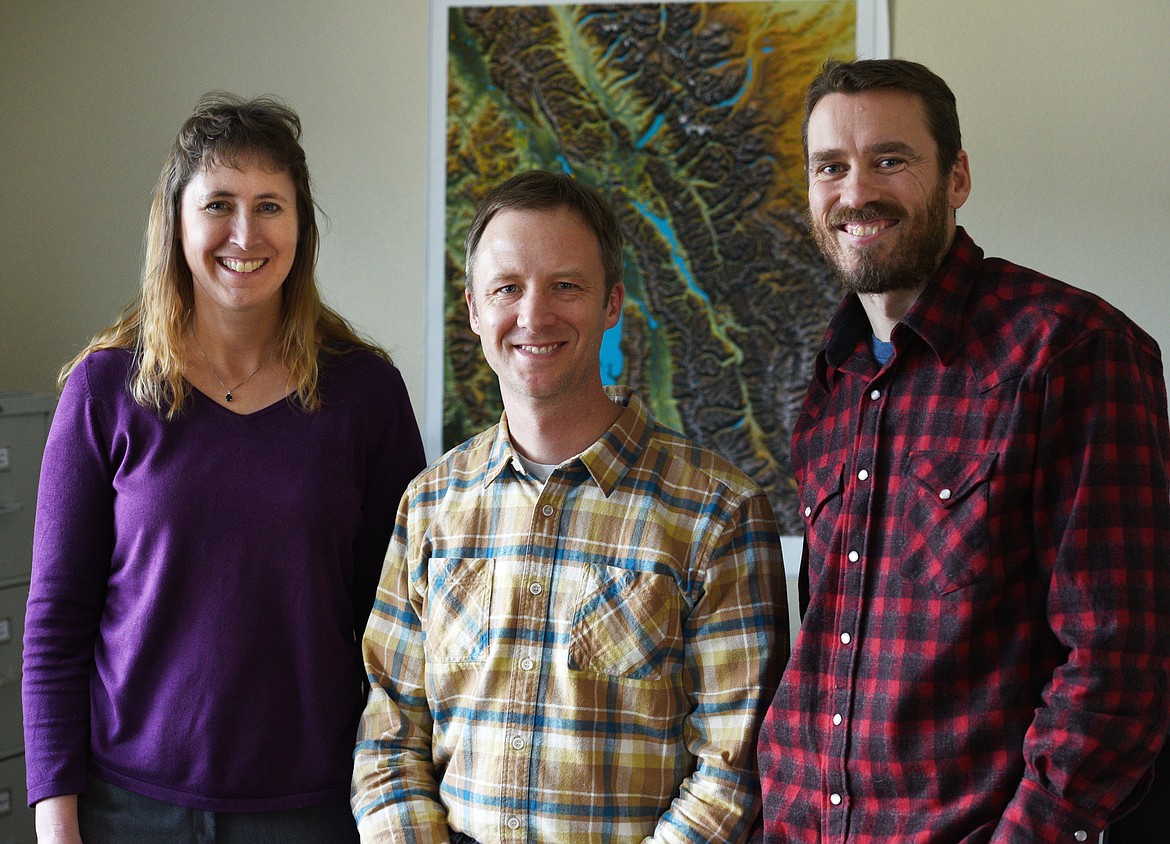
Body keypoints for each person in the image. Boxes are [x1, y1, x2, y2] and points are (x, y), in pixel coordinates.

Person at [756, 58, 1170, 842]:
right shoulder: (830, 377)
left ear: (957, 177)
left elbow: (1120, 661)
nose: (855, 192)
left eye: (890, 160)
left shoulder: (1070, 350)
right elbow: (828, 639)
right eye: (830, 168)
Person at [22, 92, 426, 843]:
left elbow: (400, 623)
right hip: (129, 808)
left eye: (269, 204)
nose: (245, 232)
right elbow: (56, 621)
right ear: (176, 222)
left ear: (301, 226)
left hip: (315, 806)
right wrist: (56, 819)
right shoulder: (105, 389)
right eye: (219, 204)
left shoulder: (366, 393)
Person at [352, 170, 787, 843]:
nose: (533, 315)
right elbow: (388, 738)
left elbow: (730, 771)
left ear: (612, 302)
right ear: (473, 309)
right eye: (507, 289)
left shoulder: (719, 513)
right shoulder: (429, 505)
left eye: (566, 285)